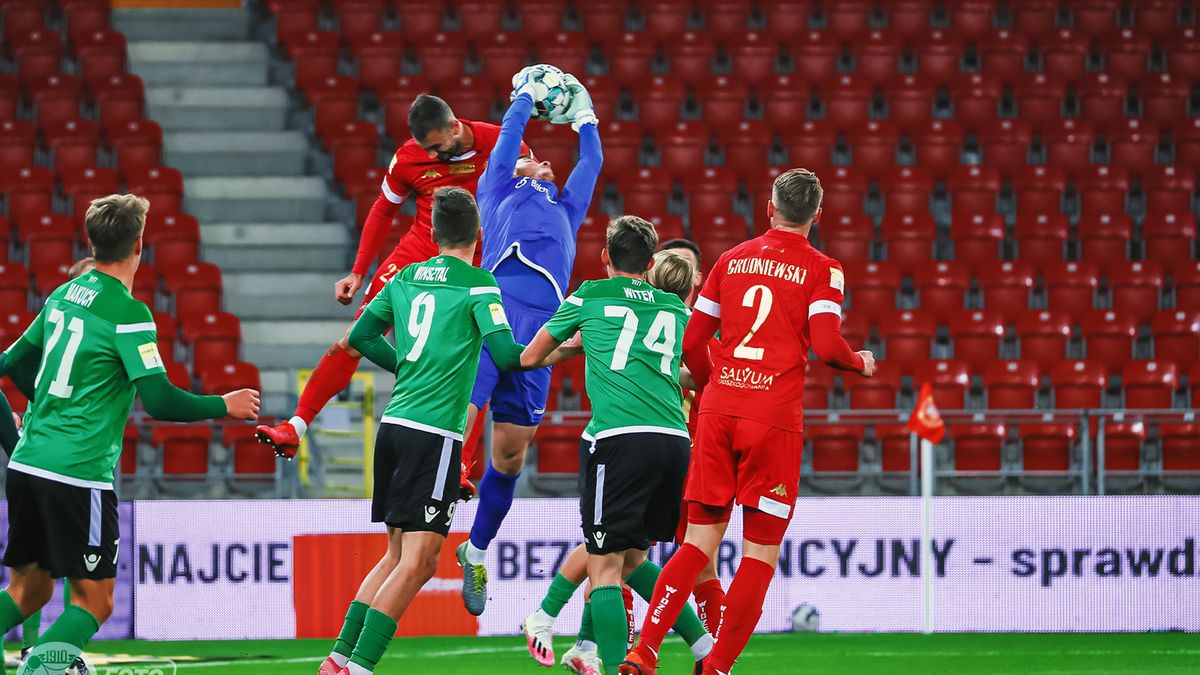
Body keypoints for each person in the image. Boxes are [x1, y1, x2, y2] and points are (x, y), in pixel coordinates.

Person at [621, 169, 877, 675]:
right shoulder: (824, 269)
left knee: (697, 545)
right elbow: (828, 346)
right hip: (773, 419)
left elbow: (692, 340)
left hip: (718, 411)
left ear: (770, 208)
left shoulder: (730, 259)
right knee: (759, 554)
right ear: (817, 215)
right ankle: (717, 665)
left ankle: (645, 651)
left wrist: (716, 380)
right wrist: (859, 362)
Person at [0, 194, 260, 675]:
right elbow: (159, 401)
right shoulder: (129, 313)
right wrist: (223, 404)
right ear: (140, 244)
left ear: (90, 243)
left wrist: (47, 406)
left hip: (27, 463)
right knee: (94, 602)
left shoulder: (62, 295)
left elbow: (11, 363)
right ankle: (39, 671)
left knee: (26, 591)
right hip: (78, 473)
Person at [318, 187, 554, 675]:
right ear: (479, 234)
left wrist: (406, 366)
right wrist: (565, 347)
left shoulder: (406, 277)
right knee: (420, 562)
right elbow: (507, 357)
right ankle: (358, 668)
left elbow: (360, 336)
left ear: (432, 232)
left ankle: (338, 659)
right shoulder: (480, 284)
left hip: (394, 427)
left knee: (396, 554)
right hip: (435, 434)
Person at [256, 94, 531, 458]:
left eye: (437, 147)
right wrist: (358, 271)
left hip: (476, 260)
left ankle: (461, 466)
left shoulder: (503, 143)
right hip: (418, 251)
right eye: (425, 148)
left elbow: (530, 198)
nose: (431, 155)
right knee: (354, 338)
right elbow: (384, 209)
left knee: (477, 367)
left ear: (454, 127)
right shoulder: (408, 158)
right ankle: (295, 427)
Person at [520, 217, 714, 675]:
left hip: (619, 439)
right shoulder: (676, 308)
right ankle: (705, 646)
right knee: (633, 558)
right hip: (674, 442)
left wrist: (571, 348)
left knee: (604, 564)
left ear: (605, 256)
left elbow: (530, 356)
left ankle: (591, 650)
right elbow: (702, 374)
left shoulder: (589, 294)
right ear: (650, 263)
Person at [456, 65, 604, 617]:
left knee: (511, 456)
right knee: (463, 421)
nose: (543, 162)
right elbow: (510, 138)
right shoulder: (495, 186)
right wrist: (523, 97)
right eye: (533, 158)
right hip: (491, 318)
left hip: (542, 335)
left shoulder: (566, 207)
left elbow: (591, 163)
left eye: (545, 161)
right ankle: (438, 495)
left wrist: (585, 118)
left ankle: (475, 552)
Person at [2, 256, 96, 671]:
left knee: (37, 579)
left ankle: (39, 651)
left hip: (40, 465)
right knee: (78, 584)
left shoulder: (65, 335)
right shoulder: (67, 335)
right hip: (60, 467)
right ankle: (40, 653)